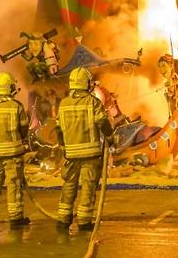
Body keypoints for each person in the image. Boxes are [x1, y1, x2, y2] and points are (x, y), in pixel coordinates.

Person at [56, 67, 113, 231]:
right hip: (90, 154)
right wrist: (110, 137)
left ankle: (63, 219)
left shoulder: (64, 104)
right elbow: (103, 123)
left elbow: (59, 130)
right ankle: (84, 221)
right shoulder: (93, 102)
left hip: (71, 155)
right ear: (86, 83)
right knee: (88, 187)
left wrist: (63, 147)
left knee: (68, 186)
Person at [0, 72, 30, 229]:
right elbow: (24, 128)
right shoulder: (16, 106)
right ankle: (15, 218)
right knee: (13, 185)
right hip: (13, 155)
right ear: (9, 87)